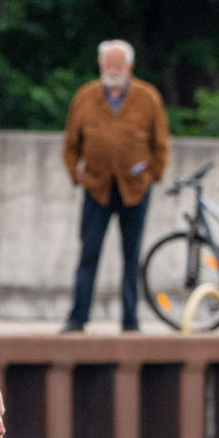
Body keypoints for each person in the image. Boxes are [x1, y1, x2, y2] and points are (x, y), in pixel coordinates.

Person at [61, 40, 168, 333]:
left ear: (130, 67)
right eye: (108, 64)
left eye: (118, 64)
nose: (113, 69)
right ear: (100, 65)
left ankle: (130, 320)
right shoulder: (85, 96)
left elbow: (160, 145)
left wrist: (151, 177)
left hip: (135, 191)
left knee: (131, 258)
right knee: (88, 254)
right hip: (97, 188)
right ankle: (78, 317)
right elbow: (71, 143)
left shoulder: (148, 97)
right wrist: (76, 174)